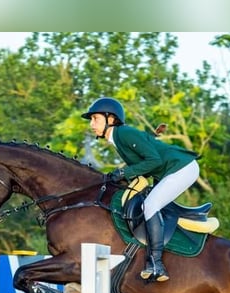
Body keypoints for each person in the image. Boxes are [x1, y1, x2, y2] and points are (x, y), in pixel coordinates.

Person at [82, 97, 200, 282]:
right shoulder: (118, 139)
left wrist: (122, 172)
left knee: (150, 205)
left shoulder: (124, 133)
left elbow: (154, 161)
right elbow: (144, 165)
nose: (91, 124)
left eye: (95, 118)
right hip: (174, 169)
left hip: (182, 167)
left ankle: (156, 263)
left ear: (110, 119)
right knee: (148, 202)